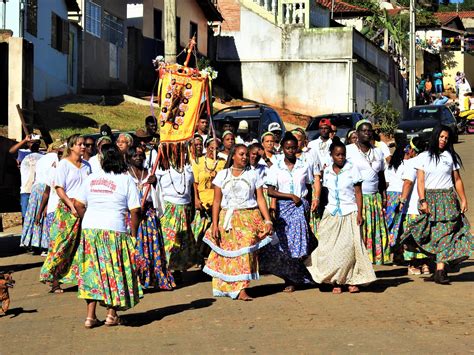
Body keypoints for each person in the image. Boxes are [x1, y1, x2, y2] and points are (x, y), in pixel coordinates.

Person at [74, 145, 142, 328]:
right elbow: (135, 210)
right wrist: (134, 235)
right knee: (114, 272)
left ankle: (90, 316)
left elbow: (78, 204)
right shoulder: (126, 180)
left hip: (90, 230)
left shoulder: (91, 179)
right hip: (115, 230)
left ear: (103, 161)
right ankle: (111, 315)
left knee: (92, 273)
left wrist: (87, 219)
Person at [202, 144, 274, 300]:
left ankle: (242, 288)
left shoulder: (253, 174)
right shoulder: (222, 175)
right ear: (233, 156)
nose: (245, 157)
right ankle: (226, 287)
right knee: (227, 255)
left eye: (246, 155)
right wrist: (214, 224)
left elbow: (260, 199)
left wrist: (267, 220)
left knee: (246, 251)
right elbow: (216, 201)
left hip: (248, 217)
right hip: (226, 218)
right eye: (241, 154)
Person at [402, 125, 472, 284]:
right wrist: (422, 200)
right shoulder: (424, 157)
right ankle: (437, 269)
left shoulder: (450, 157)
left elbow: (457, 180)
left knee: (445, 235)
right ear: (435, 137)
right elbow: (420, 181)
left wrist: (464, 199)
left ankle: (440, 270)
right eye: (441, 137)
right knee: (431, 235)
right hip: (430, 200)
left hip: (447, 199)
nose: (444, 140)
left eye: (446, 138)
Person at [306, 139, 376, 294]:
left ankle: (351, 280)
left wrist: (359, 213)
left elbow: (358, 192)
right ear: (331, 155)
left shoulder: (352, 169)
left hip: (349, 212)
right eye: (337, 155)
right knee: (329, 249)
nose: (340, 157)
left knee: (349, 249)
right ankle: (334, 281)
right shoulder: (328, 171)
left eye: (343, 154)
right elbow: (325, 193)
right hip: (332, 213)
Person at [266, 132, 320, 292]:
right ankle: (290, 279)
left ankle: (300, 275)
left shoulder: (304, 165)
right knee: (284, 246)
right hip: (284, 209)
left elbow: (310, 185)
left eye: (293, 148)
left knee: (300, 245)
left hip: (299, 207)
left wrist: (311, 202)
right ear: (282, 148)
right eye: (287, 148)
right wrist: (289, 196)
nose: (290, 151)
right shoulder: (276, 167)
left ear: (297, 148)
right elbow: (270, 191)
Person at [40, 134, 91, 293]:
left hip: (84, 208)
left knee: (81, 244)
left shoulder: (87, 166)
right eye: (79, 144)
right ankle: (54, 280)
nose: (83, 147)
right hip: (67, 210)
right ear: (71, 146)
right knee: (62, 245)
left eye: (84, 144)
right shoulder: (63, 165)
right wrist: (71, 205)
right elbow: (59, 188)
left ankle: (82, 278)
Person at [127, 146, 175, 290]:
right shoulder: (125, 175)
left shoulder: (149, 174)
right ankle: (137, 279)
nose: (138, 157)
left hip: (148, 217)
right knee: (136, 247)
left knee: (151, 248)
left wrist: (154, 184)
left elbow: (158, 198)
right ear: (129, 158)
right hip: (132, 216)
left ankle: (154, 277)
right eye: (135, 155)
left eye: (141, 155)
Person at [346, 120, 390, 265]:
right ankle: (357, 263)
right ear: (357, 133)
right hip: (355, 198)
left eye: (369, 131)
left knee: (372, 231)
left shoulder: (377, 151)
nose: (367, 133)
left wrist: (383, 194)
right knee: (358, 232)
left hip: (374, 198)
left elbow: (381, 176)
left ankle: (369, 264)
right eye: (363, 131)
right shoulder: (349, 150)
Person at [157, 160, 198, 283]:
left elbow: (192, 184)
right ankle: (165, 271)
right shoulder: (161, 166)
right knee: (168, 241)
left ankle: (177, 270)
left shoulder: (188, 166)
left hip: (185, 207)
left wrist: (195, 200)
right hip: (169, 207)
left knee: (182, 241)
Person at [20, 142, 62, 253]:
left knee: (33, 215)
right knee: (45, 215)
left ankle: (30, 241)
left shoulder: (41, 159)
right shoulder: (56, 158)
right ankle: (44, 245)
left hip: (35, 187)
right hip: (46, 187)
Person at [398, 138, 431, 275]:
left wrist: (402, 201)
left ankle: (413, 264)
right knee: (425, 236)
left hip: (413, 207)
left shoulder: (412, 162)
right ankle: (426, 265)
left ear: (412, 150)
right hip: (427, 205)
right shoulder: (430, 160)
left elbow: (408, 183)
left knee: (411, 237)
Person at [192, 138, 226, 264]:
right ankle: (200, 259)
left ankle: (213, 260)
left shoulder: (223, 163)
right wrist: (196, 199)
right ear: (206, 148)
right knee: (200, 233)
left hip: (218, 203)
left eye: (217, 148)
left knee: (215, 233)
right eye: (211, 148)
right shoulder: (198, 162)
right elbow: (195, 183)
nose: (214, 151)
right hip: (203, 203)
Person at [18, 136, 43, 221]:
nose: (34, 144)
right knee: (25, 216)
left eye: (37, 142)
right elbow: (11, 151)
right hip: (26, 189)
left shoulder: (43, 155)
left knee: (38, 216)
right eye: (32, 142)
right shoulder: (23, 153)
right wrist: (24, 140)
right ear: (28, 143)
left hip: (39, 190)